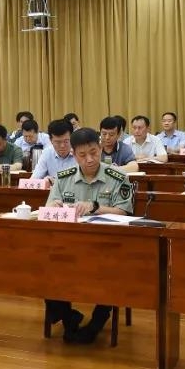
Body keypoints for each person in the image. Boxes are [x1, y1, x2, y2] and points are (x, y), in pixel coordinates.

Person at [44, 128, 134, 343]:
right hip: (68, 247)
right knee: (45, 267)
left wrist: (96, 207)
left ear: (101, 148)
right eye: (82, 155)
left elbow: (125, 212)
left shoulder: (118, 177)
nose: (90, 159)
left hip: (107, 248)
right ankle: (68, 318)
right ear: (74, 155)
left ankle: (97, 322)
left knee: (110, 272)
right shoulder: (63, 178)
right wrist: (55, 206)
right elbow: (48, 209)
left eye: (94, 152)